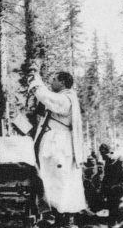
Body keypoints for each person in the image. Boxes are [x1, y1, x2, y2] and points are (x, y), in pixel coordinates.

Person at [28, 70, 90, 228]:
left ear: (63, 82)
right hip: (56, 147)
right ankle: (57, 217)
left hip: (59, 148)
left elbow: (47, 97)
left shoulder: (66, 98)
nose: (52, 83)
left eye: (54, 79)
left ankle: (64, 219)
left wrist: (37, 82)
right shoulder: (64, 97)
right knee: (52, 183)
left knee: (60, 183)